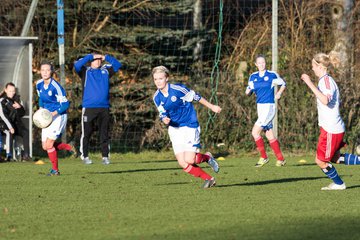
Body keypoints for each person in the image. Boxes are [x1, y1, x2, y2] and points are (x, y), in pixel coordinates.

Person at [152, 66, 222, 189]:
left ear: (167, 78)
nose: (158, 81)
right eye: (155, 79)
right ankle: (209, 179)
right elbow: (162, 112)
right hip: (174, 129)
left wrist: (212, 107)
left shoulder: (178, 89)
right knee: (183, 163)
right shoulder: (156, 97)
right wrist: (164, 118)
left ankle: (207, 157)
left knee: (190, 159)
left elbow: (196, 97)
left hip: (189, 125)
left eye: (161, 78)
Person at [301, 53, 360, 190]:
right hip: (333, 127)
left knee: (320, 161)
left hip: (331, 129)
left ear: (319, 66)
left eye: (313, 66)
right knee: (335, 158)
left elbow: (325, 100)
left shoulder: (326, 81)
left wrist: (309, 82)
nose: (312, 69)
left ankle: (339, 184)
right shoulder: (326, 80)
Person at [74, 53, 121, 165]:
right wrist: (91, 56)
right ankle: (84, 156)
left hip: (104, 108)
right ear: (91, 61)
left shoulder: (105, 70)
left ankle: (105, 156)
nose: (98, 61)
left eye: (100, 59)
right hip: (89, 108)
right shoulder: (85, 71)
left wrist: (106, 57)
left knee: (104, 133)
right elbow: (77, 65)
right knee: (87, 133)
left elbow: (118, 65)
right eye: (96, 59)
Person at [245, 54, 286, 167]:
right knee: (269, 135)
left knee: (255, 132)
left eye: (263, 62)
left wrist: (279, 93)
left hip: (269, 107)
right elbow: (249, 89)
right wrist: (248, 92)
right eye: (259, 63)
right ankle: (281, 159)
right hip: (260, 107)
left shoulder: (272, 75)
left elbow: (283, 83)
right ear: (256, 64)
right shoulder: (253, 76)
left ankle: (264, 157)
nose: (262, 64)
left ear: (265, 63)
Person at [36, 61, 74, 176]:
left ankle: (55, 170)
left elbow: (66, 104)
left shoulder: (56, 87)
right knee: (45, 146)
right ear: (40, 72)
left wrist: (54, 113)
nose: (45, 72)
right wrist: (41, 111)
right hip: (47, 117)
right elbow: (41, 99)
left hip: (59, 116)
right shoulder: (39, 84)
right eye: (43, 70)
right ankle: (69, 146)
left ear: (51, 71)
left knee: (49, 145)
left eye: (47, 70)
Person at [0, 83, 31, 161]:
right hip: (5, 124)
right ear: (6, 90)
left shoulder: (17, 99)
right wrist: (10, 127)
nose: (12, 93)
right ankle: (9, 156)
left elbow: (22, 113)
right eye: (10, 91)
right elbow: (4, 116)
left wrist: (19, 107)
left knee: (25, 132)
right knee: (9, 132)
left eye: (13, 91)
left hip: (16, 124)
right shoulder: (2, 100)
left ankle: (26, 155)